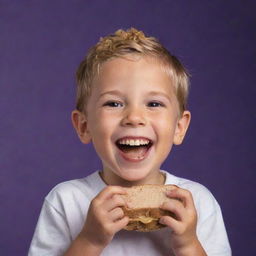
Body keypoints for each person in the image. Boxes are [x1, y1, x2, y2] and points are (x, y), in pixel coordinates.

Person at [28, 28, 231, 256]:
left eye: (154, 104)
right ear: (83, 126)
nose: (134, 117)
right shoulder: (65, 201)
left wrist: (187, 243)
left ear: (179, 127)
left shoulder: (198, 203)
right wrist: (90, 240)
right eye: (113, 104)